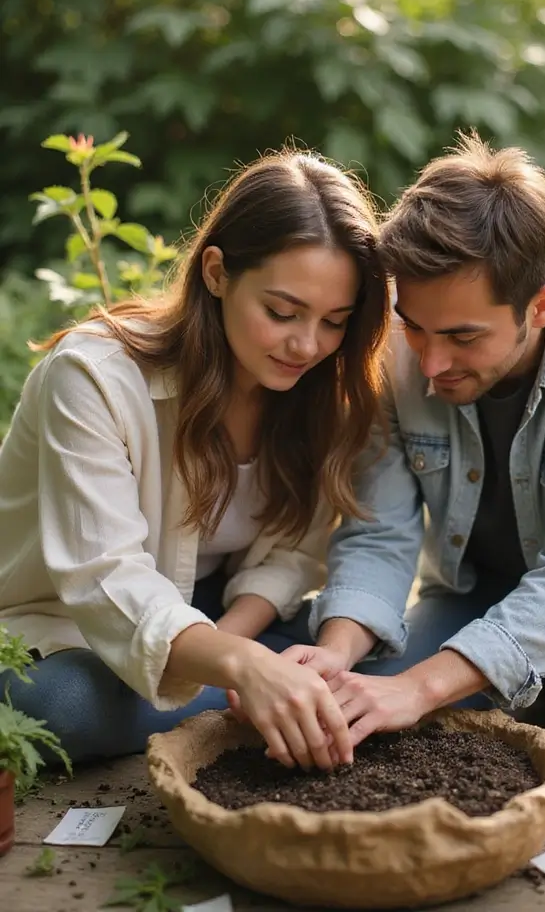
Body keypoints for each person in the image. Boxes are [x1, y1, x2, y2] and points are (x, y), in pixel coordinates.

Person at [282, 132, 545, 756]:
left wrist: (426, 686)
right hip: (479, 582)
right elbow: (379, 530)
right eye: (416, 328)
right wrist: (339, 648)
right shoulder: (394, 344)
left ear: (540, 307)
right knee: (367, 694)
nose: (430, 364)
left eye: (462, 336)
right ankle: (532, 669)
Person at [0, 147, 390, 769]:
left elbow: (293, 554)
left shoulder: (320, 391)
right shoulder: (92, 377)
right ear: (216, 272)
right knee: (62, 707)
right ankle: (255, 710)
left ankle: (247, 705)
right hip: (73, 633)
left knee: (375, 655)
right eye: (282, 312)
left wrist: (241, 647)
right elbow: (105, 578)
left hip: (221, 619)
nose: (307, 345)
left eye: (335, 321)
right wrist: (244, 668)